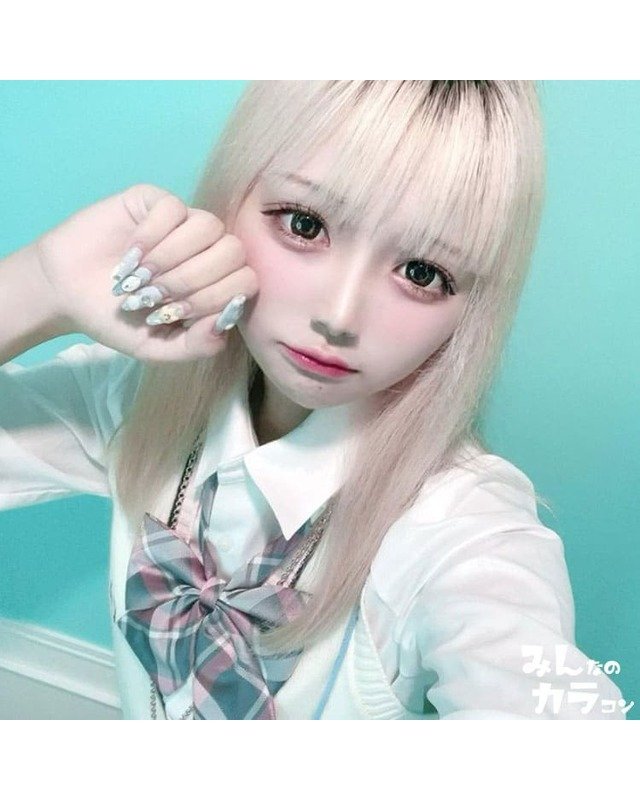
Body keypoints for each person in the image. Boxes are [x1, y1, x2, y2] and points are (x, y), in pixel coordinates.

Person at [0, 80, 627, 720]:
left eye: (422, 272)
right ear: (226, 204)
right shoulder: (137, 400)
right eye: (306, 224)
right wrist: (36, 288)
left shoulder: (461, 527)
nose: (339, 315)